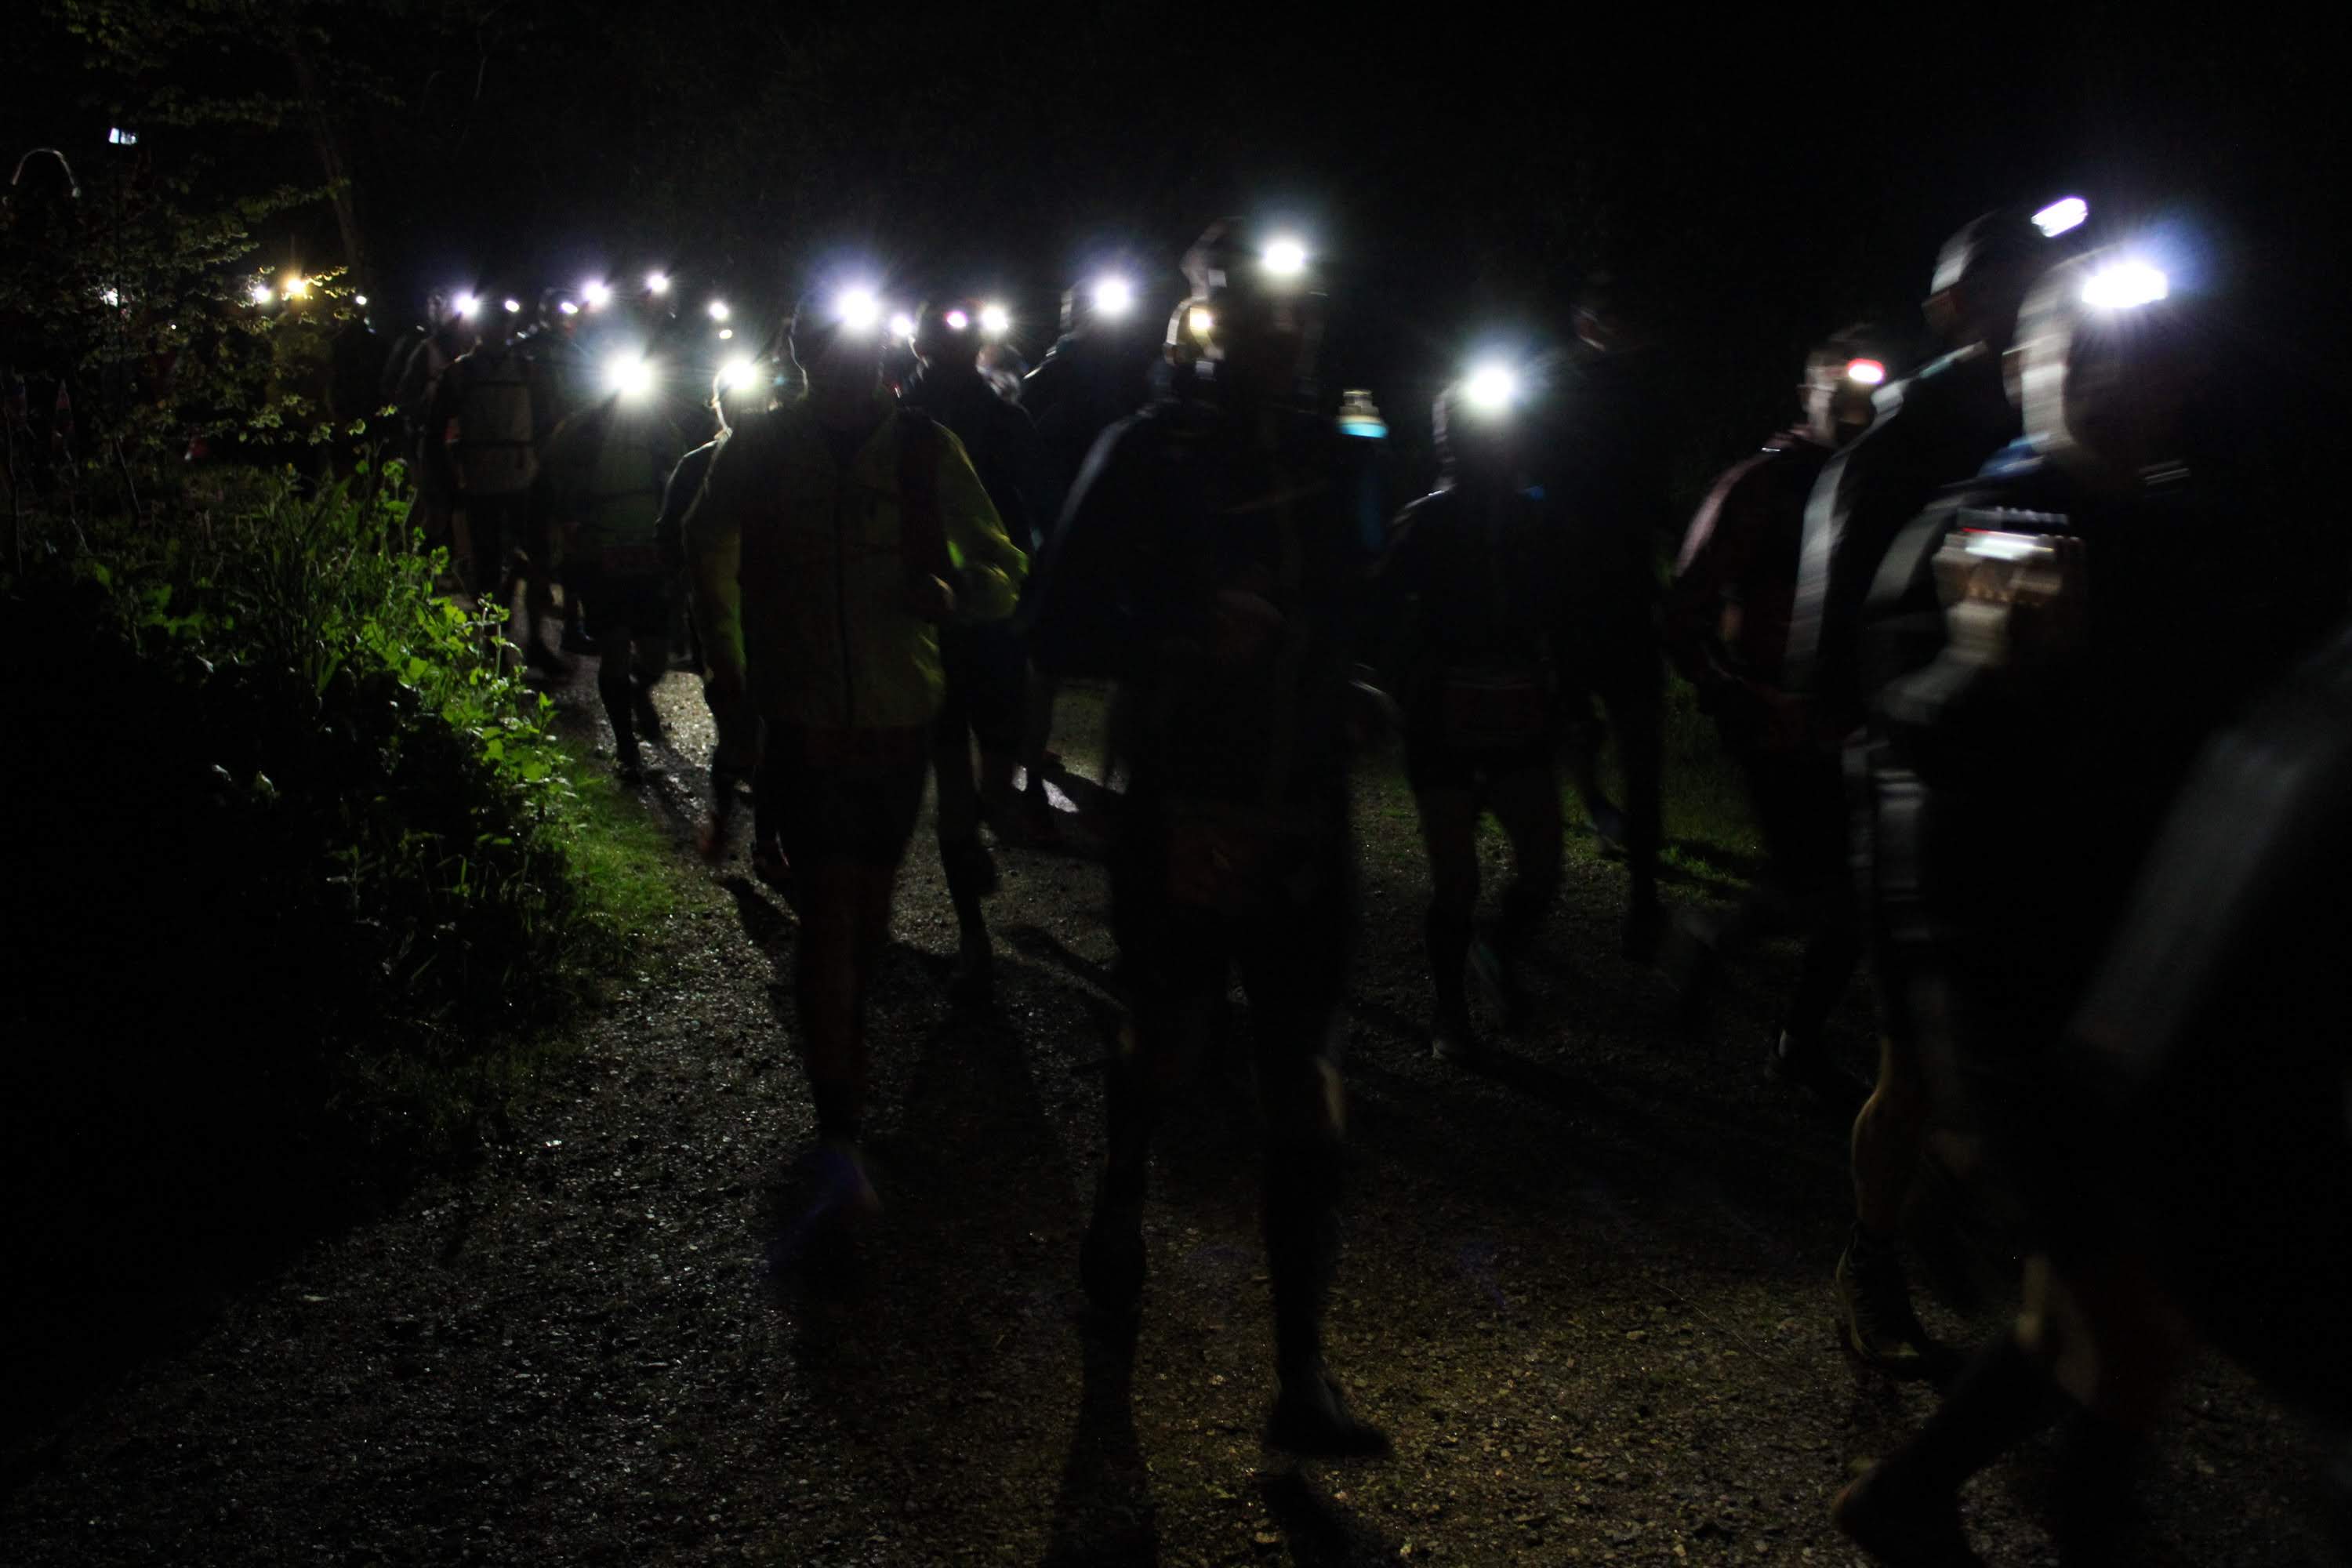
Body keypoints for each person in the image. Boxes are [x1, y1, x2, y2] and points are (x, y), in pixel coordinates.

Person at [1830, 245, 2318, 1564]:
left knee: (2091, 1312)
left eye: (2139, 357)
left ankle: (1907, 1499)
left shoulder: (2200, 531)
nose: (2109, 380)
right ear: (2022, 369)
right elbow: (1906, 751)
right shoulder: (2002, 519)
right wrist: (1982, 666)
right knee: (2130, 1326)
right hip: (2024, 999)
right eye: (2079, 353)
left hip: (2146, 991)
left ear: (2184, 378)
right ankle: (2074, 1522)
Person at [1028, 220, 1391, 1457]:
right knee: (1166, 1038)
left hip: (1304, 813)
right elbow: (1058, 618)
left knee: (1307, 1082)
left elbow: (1356, 596)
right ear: (1216, 320)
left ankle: (1302, 1375)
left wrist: (1353, 680)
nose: (1292, 332)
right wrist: (1188, 627)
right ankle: (1120, 1196)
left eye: (1308, 310)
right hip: (1183, 808)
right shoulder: (1146, 450)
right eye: (1267, 310)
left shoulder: (1337, 446)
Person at [1803, 206, 2084, 1375]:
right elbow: (1848, 608)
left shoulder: (2087, 438)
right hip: (1926, 781)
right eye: (2003, 277)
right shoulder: (1921, 437)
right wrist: (1856, 730)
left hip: (2055, 785)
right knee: (1917, 1060)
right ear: (1953, 306)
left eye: (2038, 273)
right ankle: (1875, 1251)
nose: (2027, 292)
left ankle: (2025, 1274)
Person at [684, 285, 1025, 1222]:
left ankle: (844, 1087)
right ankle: (840, 1132)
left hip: (899, 722)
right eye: (826, 348)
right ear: (802, 354)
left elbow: (1003, 566)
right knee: (831, 916)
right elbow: (705, 541)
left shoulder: (925, 447)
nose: (844, 364)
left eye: (860, 348)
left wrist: (957, 596)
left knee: (866, 921)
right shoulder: (761, 445)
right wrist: (728, 670)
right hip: (803, 725)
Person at [1662, 328, 1901, 1090]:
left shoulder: (1888, 480)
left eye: (1870, 390)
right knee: (1813, 883)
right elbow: (1686, 605)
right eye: (1842, 388)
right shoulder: (1760, 485)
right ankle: (1715, 940)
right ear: (1809, 395)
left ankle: (1797, 1036)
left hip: (1856, 718)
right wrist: (1729, 690)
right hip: (1771, 719)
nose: (1857, 405)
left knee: (1861, 887)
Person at [1369, 362, 1568, 1064]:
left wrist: (1564, 691)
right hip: (1443, 715)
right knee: (1457, 879)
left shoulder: (1534, 519)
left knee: (1543, 866)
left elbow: (1561, 611)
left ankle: (1496, 951)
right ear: (1448, 440)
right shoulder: (1425, 521)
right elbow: (1379, 611)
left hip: (1517, 706)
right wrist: (1400, 685)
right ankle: (1450, 1014)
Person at [902, 296, 1055, 1000]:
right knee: (981, 779)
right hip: (985, 618)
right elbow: (1044, 505)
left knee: (958, 784)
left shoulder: (896, 422)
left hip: (935, 618)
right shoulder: (1000, 417)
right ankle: (972, 919)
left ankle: (972, 933)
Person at [1544, 276, 1672, 959]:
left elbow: (1655, 489)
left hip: (1621, 593)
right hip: (1569, 594)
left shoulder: (1645, 394)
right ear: (1586, 325)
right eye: (1604, 321)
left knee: (1640, 744)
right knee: (1578, 722)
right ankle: (1593, 807)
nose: (1616, 334)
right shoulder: (1554, 382)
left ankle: (1644, 896)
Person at [1017, 267, 1164, 835]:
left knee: (1076, 662)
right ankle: (1038, 777)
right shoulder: (1058, 374)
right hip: (1068, 534)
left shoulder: (1127, 375)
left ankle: (1064, 777)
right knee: (1055, 662)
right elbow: (1026, 449)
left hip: (1096, 536)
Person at [665, 357, 787, 880]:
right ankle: (724, 813)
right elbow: (672, 535)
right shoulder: (698, 465)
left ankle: (766, 840)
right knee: (740, 731)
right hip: (720, 621)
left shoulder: (787, 461)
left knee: (774, 733)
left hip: (774, 617)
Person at [541, 375, 681, 780]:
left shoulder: (659, 427)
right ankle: (626, 747)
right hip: (600, 556)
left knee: (656, 656)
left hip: (648, 554)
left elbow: (682, 469)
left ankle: (639, 691)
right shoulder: (578, 430)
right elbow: (551, 477)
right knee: (616, 649)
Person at [427, 300, 561, 672]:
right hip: (484, 481)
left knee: (533, 561)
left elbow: (549, 419)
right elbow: (435, 431)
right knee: (490, 566)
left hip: (518, 478)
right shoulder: (463, 373)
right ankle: (495, 646)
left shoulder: (524, 369)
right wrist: (449, 480)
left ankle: (529, 643)